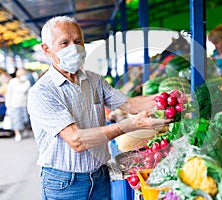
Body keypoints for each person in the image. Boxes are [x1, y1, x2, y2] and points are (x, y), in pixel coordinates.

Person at [27, 16, 171, 200]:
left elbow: (131, 104)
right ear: (46, 49)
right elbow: (76, 140)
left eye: (78, 41)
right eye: (65, 43)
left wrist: (166, 99)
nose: (74, 47)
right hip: (65, 184)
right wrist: (129, 125)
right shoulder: (42, 92)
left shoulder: (94, 80)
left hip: (100, 177)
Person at [5, 68, 31, 142]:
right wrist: (8, 105)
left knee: (25, 119)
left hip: (24, 104)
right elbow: (8, 94)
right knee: (16, 119)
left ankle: (24, 130)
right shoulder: (12, 82)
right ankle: (17, 134)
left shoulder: (27, 82)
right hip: (14, 104)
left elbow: (28, 94)